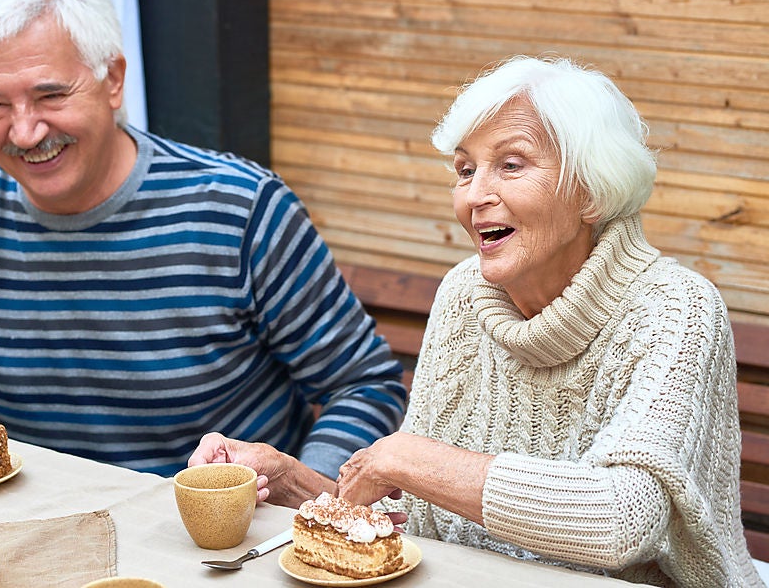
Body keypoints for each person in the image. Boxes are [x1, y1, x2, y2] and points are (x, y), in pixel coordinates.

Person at [0, 0, 406, 481]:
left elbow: (364, 385)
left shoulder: (240, 209)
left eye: (50, 95)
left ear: (113, 80)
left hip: (223, 542)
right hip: (32, 527)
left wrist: (306, 492)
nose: (24, 131)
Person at [197, 55, 764, 587]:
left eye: (511, 165)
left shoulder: (676, 308)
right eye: (465, 170)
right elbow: (410, 515)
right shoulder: (464, 293)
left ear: (591, 190)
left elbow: (626, 518)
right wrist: (286, 477)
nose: (475, 196)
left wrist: (410, 458)